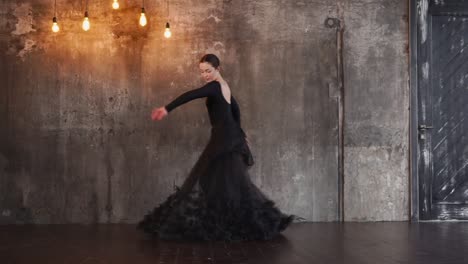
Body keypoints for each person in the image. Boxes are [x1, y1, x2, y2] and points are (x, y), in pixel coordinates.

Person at [137, 54, 294, 241]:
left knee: (208, 179)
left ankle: (261, 222)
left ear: (218, 69)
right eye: (202, 72)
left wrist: (167, 108)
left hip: (224, 138)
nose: (205, 75)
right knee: (228, 181)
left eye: (208, 71)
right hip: (229, 137)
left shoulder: (214, 87)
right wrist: (241, 135)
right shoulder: (225, 87)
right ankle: (243, 222)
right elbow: (235, 111)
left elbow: (191, 95)